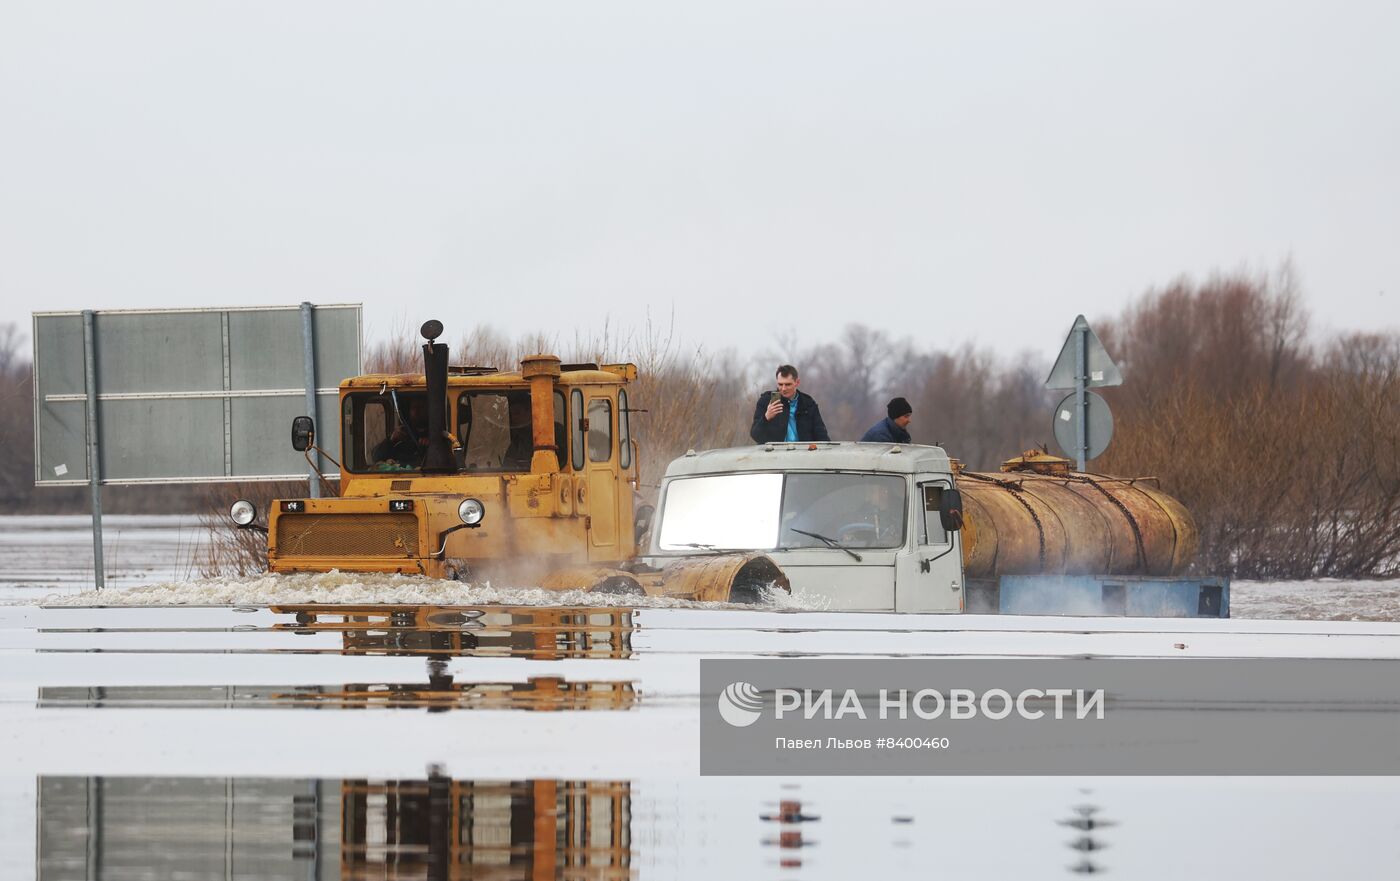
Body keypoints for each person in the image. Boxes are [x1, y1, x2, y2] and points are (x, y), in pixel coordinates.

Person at [750, 365, 829, 443]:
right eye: (780, 384)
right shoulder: (766, 400)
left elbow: (822, 435)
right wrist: (766, 417)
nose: (784, 388)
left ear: (797, 382)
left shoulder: (808, 403)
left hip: (803, 453)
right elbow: (755, 436)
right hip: (774, 453)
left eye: (788, 384)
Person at [373, 397, 429, 466]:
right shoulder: (403, 432)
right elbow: (376, 457)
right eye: (414, 407)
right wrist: (391, 440)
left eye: (421, 407)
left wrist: (432, 445)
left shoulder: (435, 433)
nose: (417, 411)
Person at [501, 395, 534, 469]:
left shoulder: (552, 434)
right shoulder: (518, 440)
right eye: (512, 414)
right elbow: (507, 467)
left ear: (530, 412)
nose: (514, 418)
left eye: (517, 413)